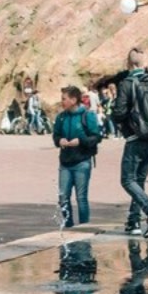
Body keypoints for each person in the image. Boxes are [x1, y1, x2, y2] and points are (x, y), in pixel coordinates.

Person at [100, 46, 148, 236]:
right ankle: (133, 221)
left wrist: (123, 125)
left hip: (135, 137)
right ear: (144, 63)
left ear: (129, 63)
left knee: (127, 180)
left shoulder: (127, 83)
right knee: (139, 181)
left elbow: (119, 112)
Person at [52, 82, 101, 227]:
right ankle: (68, 225)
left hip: (82, 162)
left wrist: (80, 141)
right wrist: (59, 140)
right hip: (65, 162)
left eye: (64, 98)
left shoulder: (88, 115)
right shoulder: (61, 117)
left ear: (73, 100)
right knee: (63, 198)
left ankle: (84, 227)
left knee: (81, 197)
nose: (62, 102)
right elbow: (56, 135)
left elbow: (96, 137)